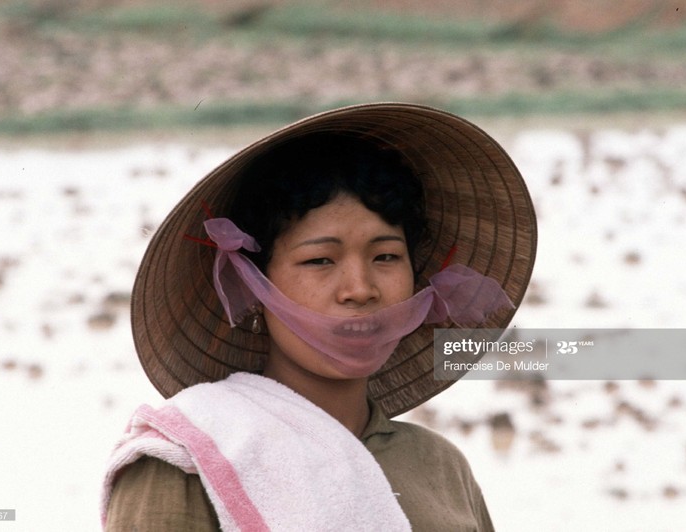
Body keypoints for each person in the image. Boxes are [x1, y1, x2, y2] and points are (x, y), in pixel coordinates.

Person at [101, 103, 537, 531]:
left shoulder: (440, 467)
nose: (360, 289)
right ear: (251, 283)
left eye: (386, 256)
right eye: (319, 261)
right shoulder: (186, 459)